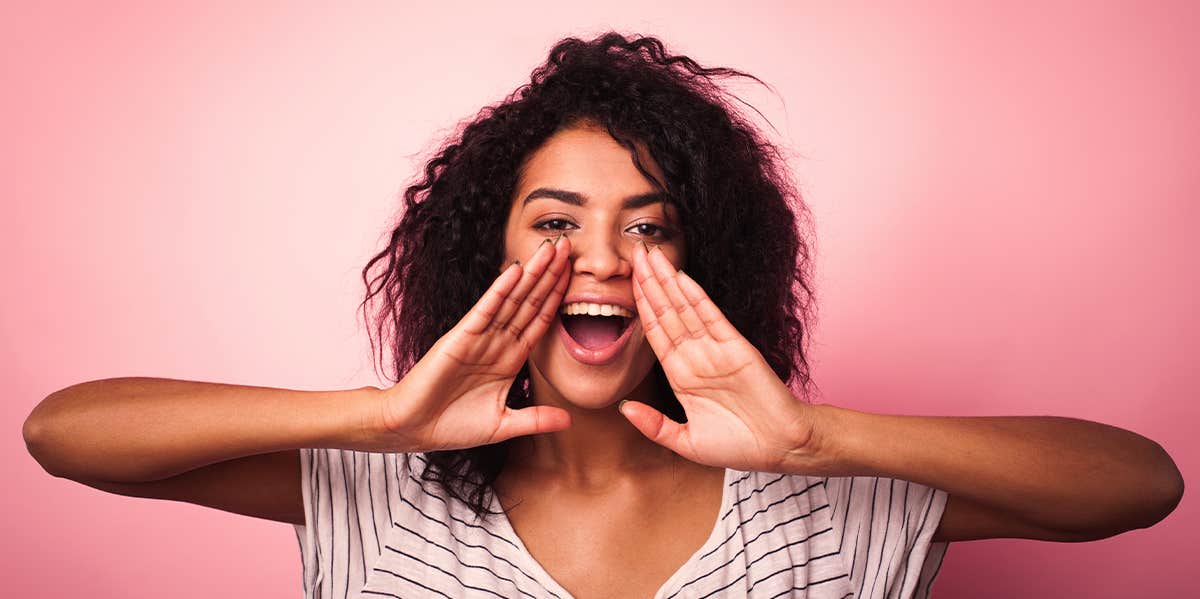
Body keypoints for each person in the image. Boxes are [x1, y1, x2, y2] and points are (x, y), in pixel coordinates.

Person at [23, 32, 1183, 599]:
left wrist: (816, 440)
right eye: (555, 221)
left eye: (648, 223)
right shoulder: (378, 485)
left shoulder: (830, 503)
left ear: (705, 256)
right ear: (489, 252)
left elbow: (1141, 486)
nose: (600, 260)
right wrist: (382, 417)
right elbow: (63, 433)